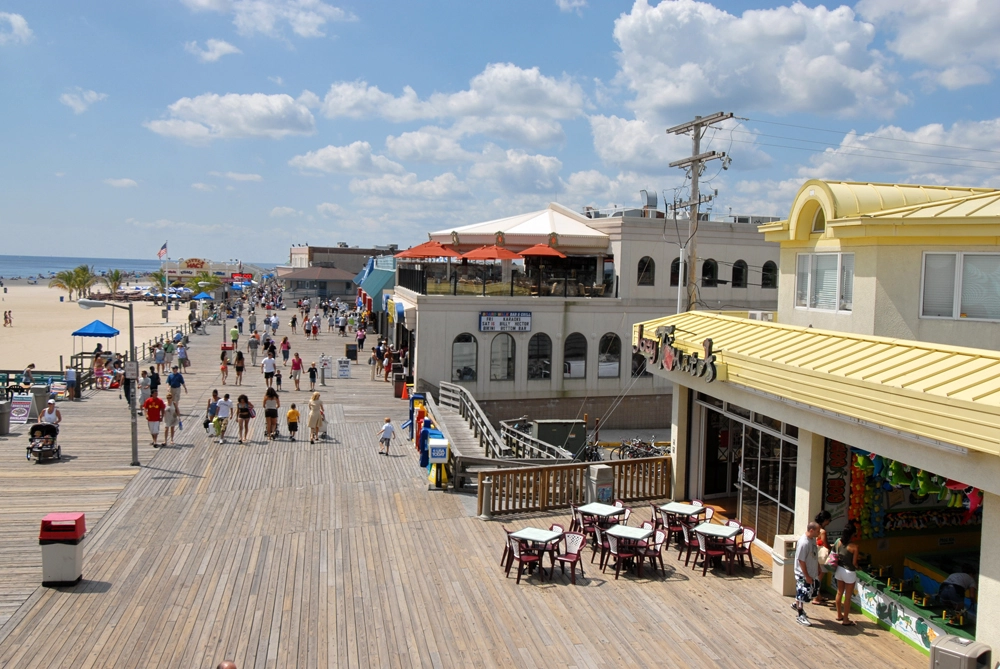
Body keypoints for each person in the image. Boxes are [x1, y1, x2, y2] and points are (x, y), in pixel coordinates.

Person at [793, 521, 821, 626]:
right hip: (803, 574)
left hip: (812, 572)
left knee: (811, 591)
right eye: (817, 531)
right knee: (802, 594)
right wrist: (807, 576)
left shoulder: (813, 539)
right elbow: (801, 560)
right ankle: (800, 615)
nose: (819, 533)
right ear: (811, 530)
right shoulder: (804, 543)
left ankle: (797, 604)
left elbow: (814, 554)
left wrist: (818, 566)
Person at [833, 523, 860, 626]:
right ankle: (846, 619)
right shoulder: (854, 547)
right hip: (849, 572)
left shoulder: (839, 542)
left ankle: (839, 615)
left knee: (839, 592)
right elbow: (854, 563)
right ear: (853, 534)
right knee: (847, 597)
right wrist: (858, 566)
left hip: (839, 570)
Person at [813, 510, 833, 604]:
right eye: (828, 520)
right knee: (819, 578)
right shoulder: (823, 532)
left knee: (817, 577)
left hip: (814, 556)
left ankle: (818, 596)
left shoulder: (814, 528)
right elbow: (826, 545)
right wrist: (832, 548)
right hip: (821, 558)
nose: (829, 522)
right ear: (825, 520)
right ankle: (816, 597)